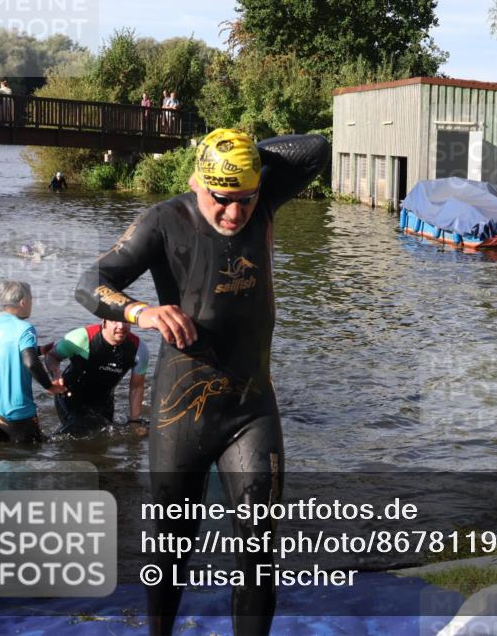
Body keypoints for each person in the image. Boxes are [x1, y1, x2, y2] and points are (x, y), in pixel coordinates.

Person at [75, 128, 327, 635]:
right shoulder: (166, 221)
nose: (235, 214)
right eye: (221, 199)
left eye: (246, 200)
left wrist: (243, 158)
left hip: (251, 408)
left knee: (259, 550)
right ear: (196, 183)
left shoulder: (264, 197)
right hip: (179, 414)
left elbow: (316, 147)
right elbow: (89, 282)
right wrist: (142, 311)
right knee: (172, 550)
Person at [0, 281, 65, 443]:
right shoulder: (24, 328)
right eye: (32, 300)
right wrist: (50, 386)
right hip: (16, 411)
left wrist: (40, 350)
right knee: (31, 457)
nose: (32, 304)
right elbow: (30, 362)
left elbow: (5, 352)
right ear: (23, 302)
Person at [45, 319, 150, 437]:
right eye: (115, 321)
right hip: (70, 395)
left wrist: (134, 421)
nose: (121, 326)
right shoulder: (82, 337)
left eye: (125, 322)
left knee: (103, 436)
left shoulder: (139, 349)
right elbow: (51, 355)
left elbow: (137, 387)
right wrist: (55, 375)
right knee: (77, 429)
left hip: (104, 400)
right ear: (104, 322)